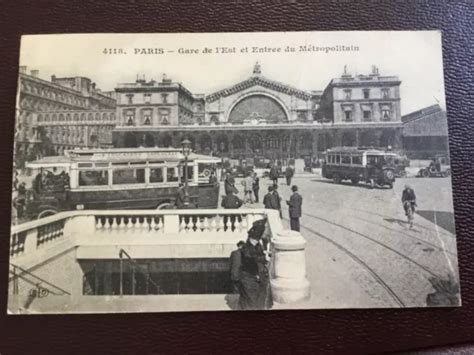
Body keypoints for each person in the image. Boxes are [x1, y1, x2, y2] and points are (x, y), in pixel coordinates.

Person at [238, 223, 273, 310]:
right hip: (249, 278)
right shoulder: (246, 248)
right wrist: (263, 258)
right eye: (255, 240)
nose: (256, 242)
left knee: (261, 298)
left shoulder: (257, 245)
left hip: (256, 276)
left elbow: (257, 255)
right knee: (251, 302)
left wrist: (264, 256)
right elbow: (250, 258)